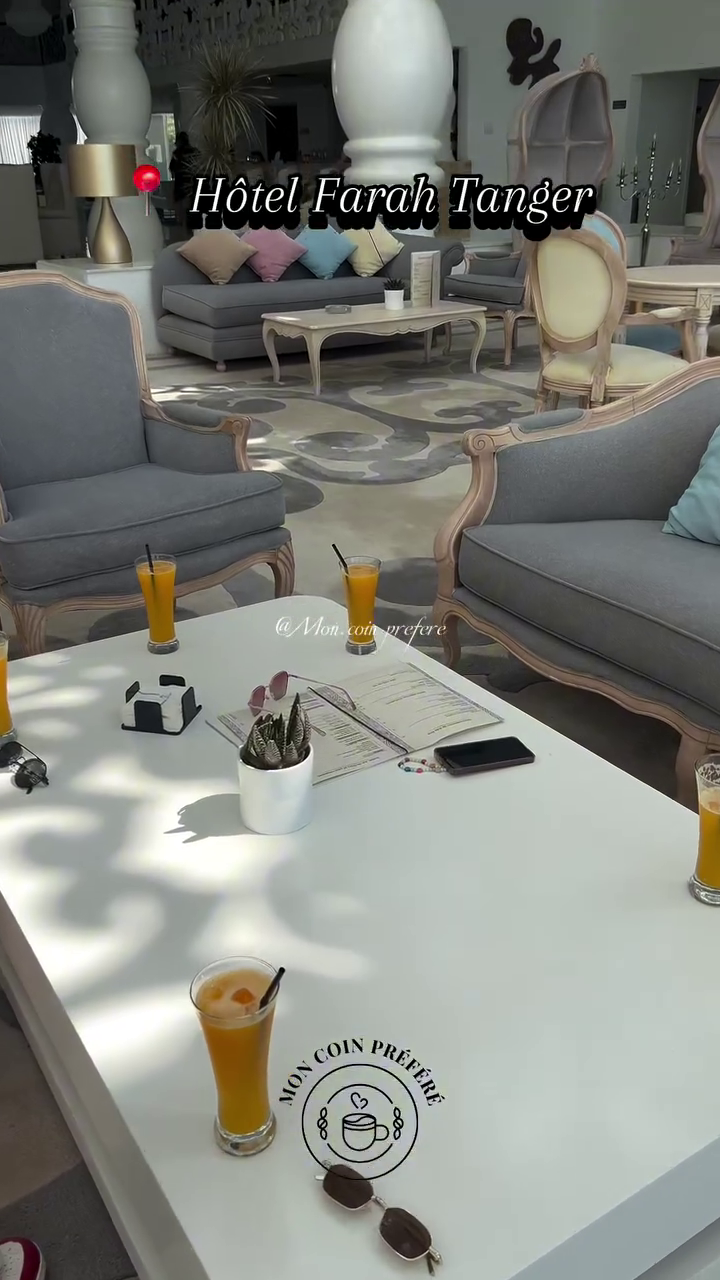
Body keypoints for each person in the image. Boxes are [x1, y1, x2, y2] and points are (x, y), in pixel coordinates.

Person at [169, 131, 197, 228]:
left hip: (180, 183)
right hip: (192, 182)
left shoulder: (176, 154)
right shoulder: (195, 152)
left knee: (181, 207)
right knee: (190, 205)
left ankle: (183, 225)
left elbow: (172, 168)